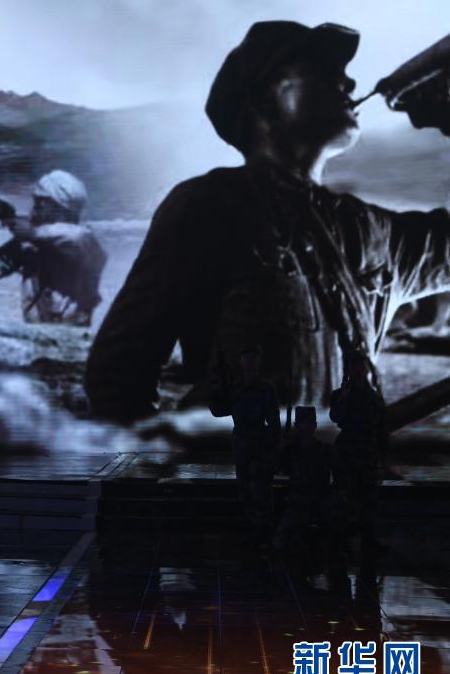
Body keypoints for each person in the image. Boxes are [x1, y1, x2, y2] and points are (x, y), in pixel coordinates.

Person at [85, 21, 450, 423]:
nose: (348, 83)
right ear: (263, 100)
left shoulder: (370, 229)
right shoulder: (209, 206)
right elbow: (118, 373)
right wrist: (167, 459)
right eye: (322, 70)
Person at [0, 170, 107, 326]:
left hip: (72, 334)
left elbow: (76, 237)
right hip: (36, 333)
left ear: (61, 209)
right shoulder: (32, 243)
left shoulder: (85, 241)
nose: (34, 210)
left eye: (41, 204)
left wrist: (33, 233)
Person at [210, 345, 281, 541]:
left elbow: (274, 422)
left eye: (253, 357)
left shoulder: (266, 389)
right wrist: (216, 388)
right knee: (245, 492)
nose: (249, 361)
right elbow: (219, 411)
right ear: (240, 361)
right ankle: (255, 532)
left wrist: (275, 449)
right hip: (242, 445)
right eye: (246, 357)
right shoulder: (235, 388)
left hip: (260, 446)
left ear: (258, 361)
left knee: (262, 492)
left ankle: (265, 535)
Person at [329, 349, 387, 542]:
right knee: (345, 499)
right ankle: (343, 542)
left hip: (368, 453)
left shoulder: (374, 398)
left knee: (369, 500)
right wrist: (344, 397)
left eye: (361, 366)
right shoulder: (339, 395)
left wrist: (383, 458)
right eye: (355, 366)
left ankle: (368, 540)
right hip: (347, 453)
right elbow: (336, 417)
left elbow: (381, 429)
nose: (359, 370)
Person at [272, 406, 348, 554]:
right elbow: (273, 468)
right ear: (297, 425)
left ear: (315, 425)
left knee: (335, 544)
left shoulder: (326, 450)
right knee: (280, 544)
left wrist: (334, 495)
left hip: (322, 500)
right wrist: (280, 448)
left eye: (310, 422)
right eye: (303, 422)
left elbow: (342, 477)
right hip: (298, 503)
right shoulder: (290, 450)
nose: (306, 426)